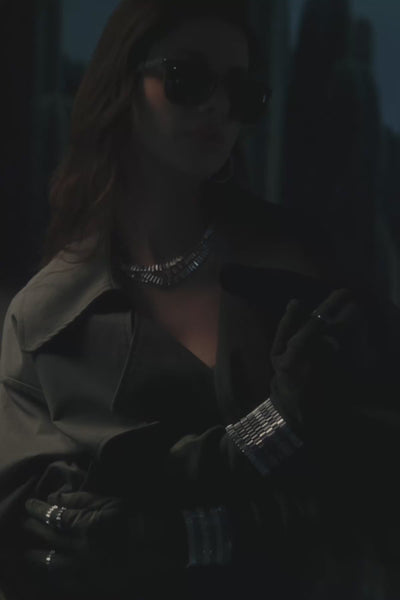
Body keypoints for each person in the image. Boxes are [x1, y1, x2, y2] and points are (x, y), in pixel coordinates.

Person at [0, 0, 400, 598]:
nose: (218, 107)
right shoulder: (45, 319)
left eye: (243, 94)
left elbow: (370, 492)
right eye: (186, 78)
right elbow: (39, 534)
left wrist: (184, 536)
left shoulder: (308, 269)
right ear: (121, 86)